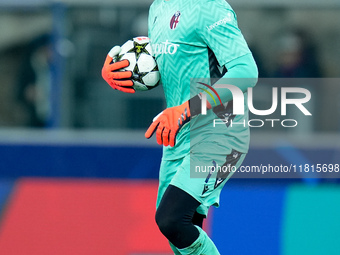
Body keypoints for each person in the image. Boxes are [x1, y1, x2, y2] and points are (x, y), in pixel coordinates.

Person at [102, 0, 258, 254]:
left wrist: (186, 109)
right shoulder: (158, 8)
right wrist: (121, 68)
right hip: (181, 133)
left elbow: (245, 71)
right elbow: (171, 64)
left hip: (220, 129)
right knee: (177, 233)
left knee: (172, 219)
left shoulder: (210, 7)